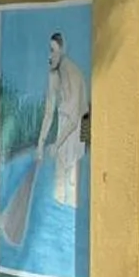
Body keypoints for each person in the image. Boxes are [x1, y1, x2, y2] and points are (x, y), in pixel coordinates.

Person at [36, 31, 88, 207]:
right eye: (49, 51)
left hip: (81, 124)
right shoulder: (53, 75)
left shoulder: (73, 73)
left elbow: (75, 119)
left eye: (53, 50)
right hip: (65, 122)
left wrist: (56, 144)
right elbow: (49, 112)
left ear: (62, 50)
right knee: (58, 181)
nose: (49, 56)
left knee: (73, 180)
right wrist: (40, 145)